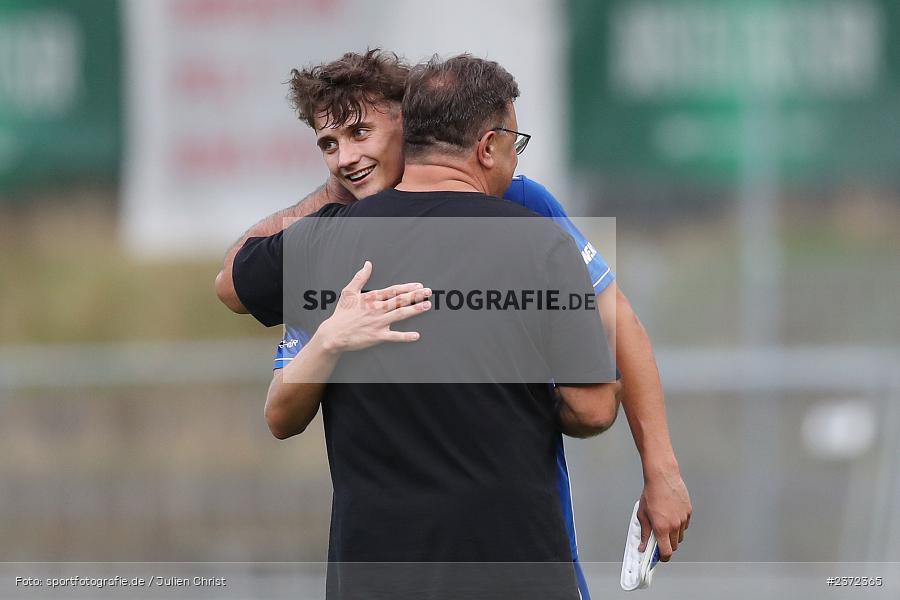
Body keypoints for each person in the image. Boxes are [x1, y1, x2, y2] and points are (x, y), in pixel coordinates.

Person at [214, 49, 691, 574]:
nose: (346, 157)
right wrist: (331, 202)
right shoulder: (335, 236)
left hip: (512, 542)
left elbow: (617, 320)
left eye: (360, 133)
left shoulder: (515, 199)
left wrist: (660, 469)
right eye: (329, 144)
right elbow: (236, 297)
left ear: (409, 122)